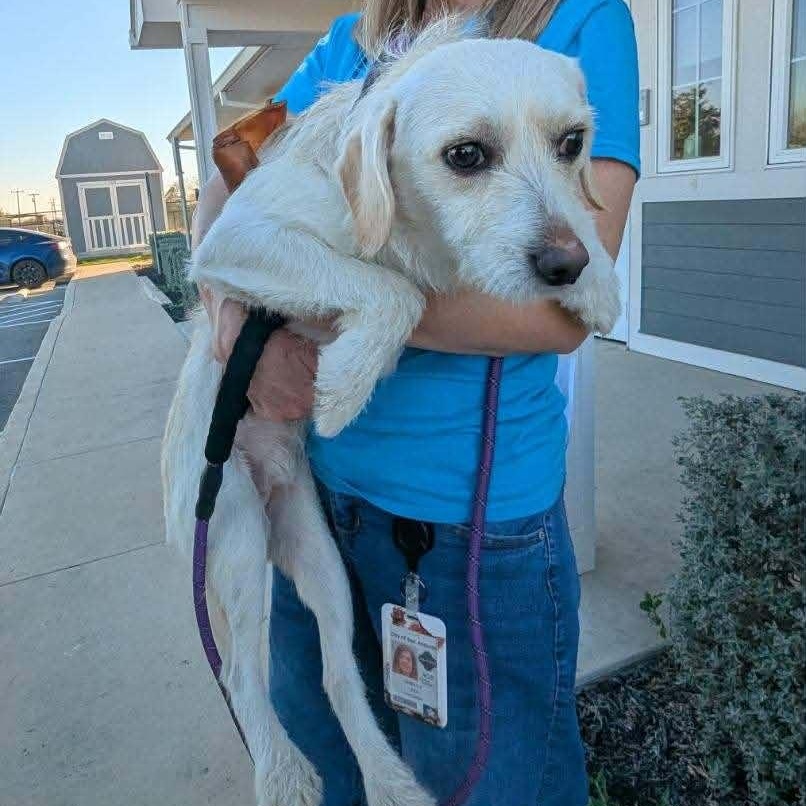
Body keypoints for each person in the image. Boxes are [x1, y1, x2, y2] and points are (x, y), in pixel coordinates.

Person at [196, 1, 639, 803]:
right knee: (328, 769)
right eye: (469, 155)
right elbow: (226, 192)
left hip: (470, 525)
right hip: (315, 487)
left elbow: (563, 299)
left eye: (567, 144)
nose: (553, 211)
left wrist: (335, 302)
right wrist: (232, 323)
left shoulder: (578, 17)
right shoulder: (350, 41)